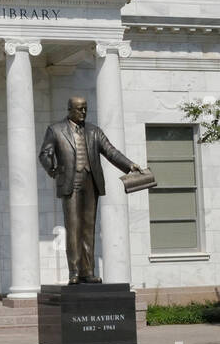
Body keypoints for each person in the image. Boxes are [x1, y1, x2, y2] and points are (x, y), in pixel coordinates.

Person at [39, 96, 143, 284]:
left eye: (85, 109)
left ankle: (88, 271)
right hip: (70, 182)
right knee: (73, 228)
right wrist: (52, 168)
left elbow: (111, 152)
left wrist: (130, 165)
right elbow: (45, 153)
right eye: (80, 109)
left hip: (91, 182)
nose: (84, 112)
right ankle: (74, 272)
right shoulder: (55, 130)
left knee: (89, 228)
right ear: (70, 109)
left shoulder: (94, 131)